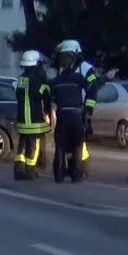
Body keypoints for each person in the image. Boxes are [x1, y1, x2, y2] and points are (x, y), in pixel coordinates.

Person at [55, 39, 118, 178]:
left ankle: (79, 168)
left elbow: (93, 88)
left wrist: (88, 111)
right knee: (71, 142)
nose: (64, 58)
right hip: (70, 109)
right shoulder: (66, 68)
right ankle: (73, 168)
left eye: (66, 54)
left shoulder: (85, 68)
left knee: (78, 143)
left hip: (81, 109)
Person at [50, 51, 97, 183]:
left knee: (60, 147)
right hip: (77, 116)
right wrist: (88, 110)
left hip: (62, 116)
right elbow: (91, 88)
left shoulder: (56, 81)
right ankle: (76, 175)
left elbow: (51, 98)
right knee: (77, 147)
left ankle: (58, 175)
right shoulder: (78, 78)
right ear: (73, 64)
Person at [13, 50, 52, 180]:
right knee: (33, 146)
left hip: (22, 118)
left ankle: (18, 170)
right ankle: (30, 171)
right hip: (34, 119)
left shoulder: (21, 79)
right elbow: (44, 96)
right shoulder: (37, 80)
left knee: (22, 146)